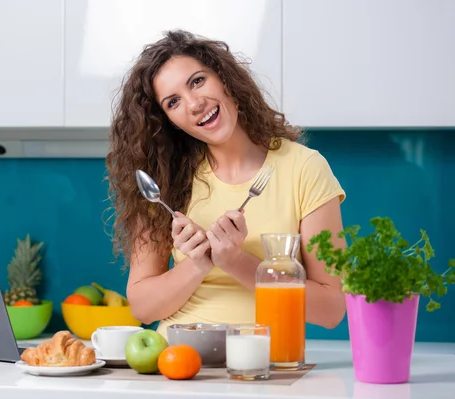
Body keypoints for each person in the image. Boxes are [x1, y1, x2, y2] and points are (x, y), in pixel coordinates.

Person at [104, 30, 347, 339]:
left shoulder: (304, 168)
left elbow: (330, 309)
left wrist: (237, 262)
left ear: (224, 77)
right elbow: (143, 308)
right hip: (177, 361)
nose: (193, 103)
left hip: (264, 365)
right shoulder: (166, 180)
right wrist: (197, 265)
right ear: (168, 121)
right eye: (173, 101)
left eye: (197, 81)